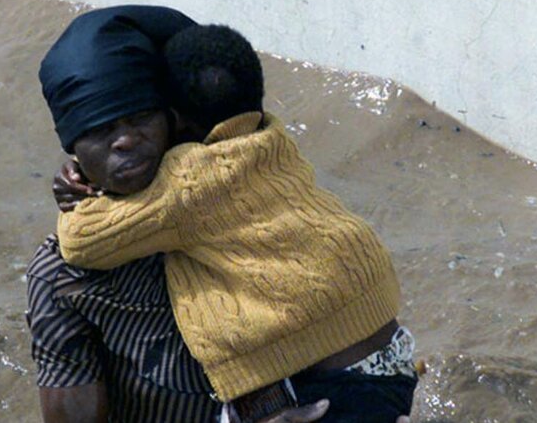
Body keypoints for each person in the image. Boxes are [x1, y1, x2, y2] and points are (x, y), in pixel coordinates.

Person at [54, 24, 418, 423]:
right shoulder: (272, 137)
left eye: (142, 118)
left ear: (175, 121)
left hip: (323, 387)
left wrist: (81, 188)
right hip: (390, 356)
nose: (125, 141)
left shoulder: (186, 178)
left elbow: (82, 242)